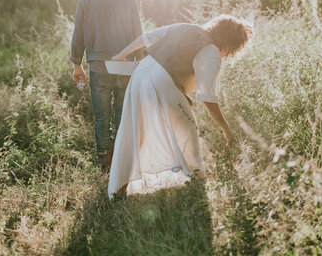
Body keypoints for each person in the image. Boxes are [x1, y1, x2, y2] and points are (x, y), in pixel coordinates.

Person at [107, 15, 253, 199]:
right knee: (187, 132)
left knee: (134, 132)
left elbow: (146, 38)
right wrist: (226, 129)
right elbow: (208, 98)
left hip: (140, 73)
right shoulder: (211, 51)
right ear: (231, 43)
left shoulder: (186, 28)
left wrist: (121, 56)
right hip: (163, 80)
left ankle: (118, 191)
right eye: (233, 49)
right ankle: (196, 184)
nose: (230, 54)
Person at [70, 0, 142, 170]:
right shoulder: (129, 1)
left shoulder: (85, 1)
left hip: (98, 67)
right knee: (122, 115)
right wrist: (140, 62)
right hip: (125, 67)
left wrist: (76, 64)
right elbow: (139, 36)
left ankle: (104, 164)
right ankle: (121, 162)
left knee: (102, 118)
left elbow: (78, 36)